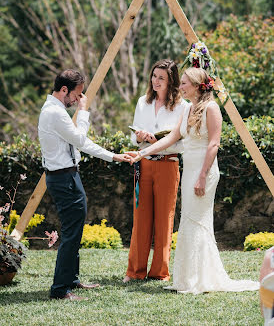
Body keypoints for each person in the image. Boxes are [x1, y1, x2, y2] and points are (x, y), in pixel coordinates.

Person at [129, 67, 259, 293]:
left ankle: (199, 279)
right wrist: (142, 153)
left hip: (203, 173)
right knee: (188, 221)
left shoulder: (212, 108)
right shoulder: (188, 108)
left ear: (198, 86)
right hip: (189, 171)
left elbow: (213, 144)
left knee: (197, 222)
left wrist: (202, 176)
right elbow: (171, 138)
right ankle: (188, 279)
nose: (181, 87)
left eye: (185, 83)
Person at [38, 69, 130, 300]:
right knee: (71, 233)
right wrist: (84, 112)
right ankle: (60, 289)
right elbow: (80, 140)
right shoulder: (55, 113)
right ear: (64, 90)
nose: (78, 99)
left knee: (75, 229)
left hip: (67, 176)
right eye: (77, 95)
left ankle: (72, 279)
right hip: (63, 178)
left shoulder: (55, 110)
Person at [123, 59, 189, 283]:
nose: (156, 81)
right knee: (141, 218)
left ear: (171, 80)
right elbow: (133, 135)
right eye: (154, 76)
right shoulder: (143, 102)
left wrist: (157, 140)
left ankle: (160, 272)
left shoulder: (183, 106)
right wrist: (140, 137)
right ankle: (135, 271)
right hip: (144, 164)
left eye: (161, 77)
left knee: (164, 219)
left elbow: (183, 143)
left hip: (168, 164)